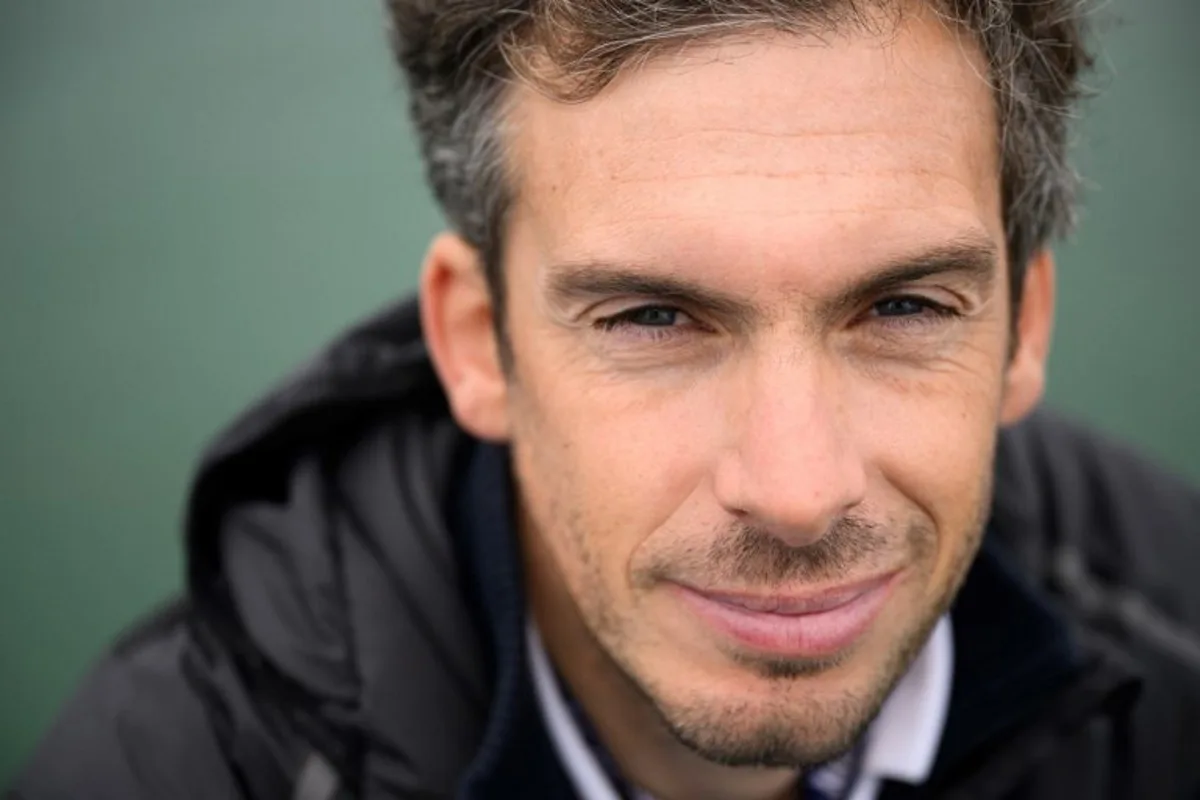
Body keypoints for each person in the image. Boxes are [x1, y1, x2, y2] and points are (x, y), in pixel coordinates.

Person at [11, 0, 1200, 798]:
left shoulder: (1177, 631)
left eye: (903, 309)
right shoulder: (178, 766)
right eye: (652, 318)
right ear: (477, 344)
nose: (795, 490)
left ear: (1025, 325)